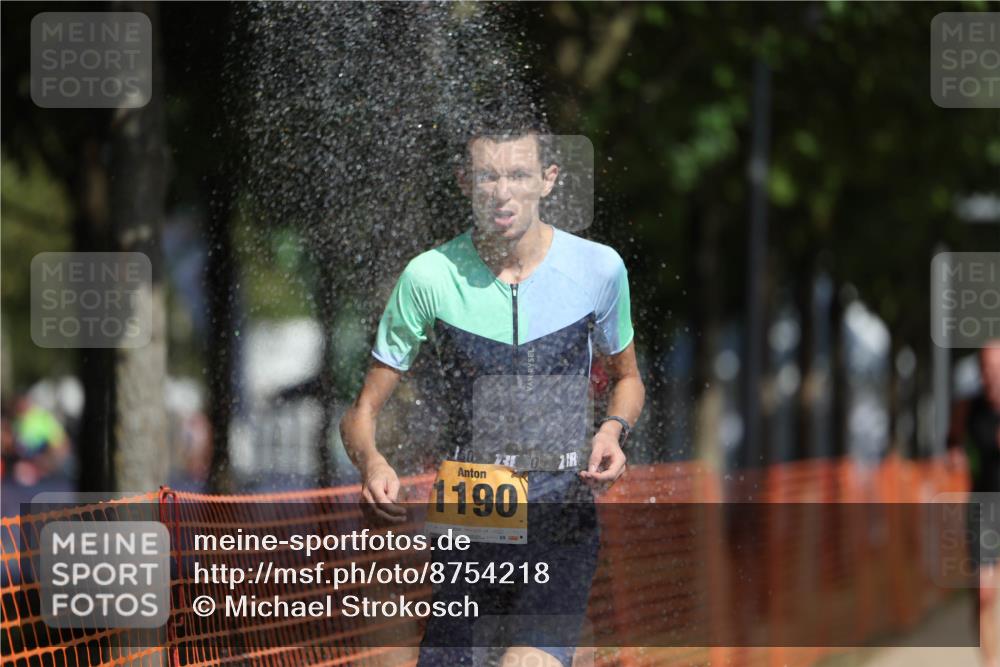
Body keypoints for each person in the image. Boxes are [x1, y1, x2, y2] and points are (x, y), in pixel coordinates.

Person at [340, 124, 645, 667]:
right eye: (488, 176)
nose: (503, 191)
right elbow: (361, 412)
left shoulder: (599, 268)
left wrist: (612, 430)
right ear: (465, 182)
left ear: (548, 180)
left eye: (519, 174)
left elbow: (627, 379)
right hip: (470, 511)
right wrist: (372, 461)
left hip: (560, 507)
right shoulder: (429, 277)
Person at [948, 340, 1000, 667]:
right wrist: (953, 454)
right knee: (983, 593)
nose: (990, 376)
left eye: (995, 369)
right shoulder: (969, 408)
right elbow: (951, 441)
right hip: (984, 509)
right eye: (985, 368)